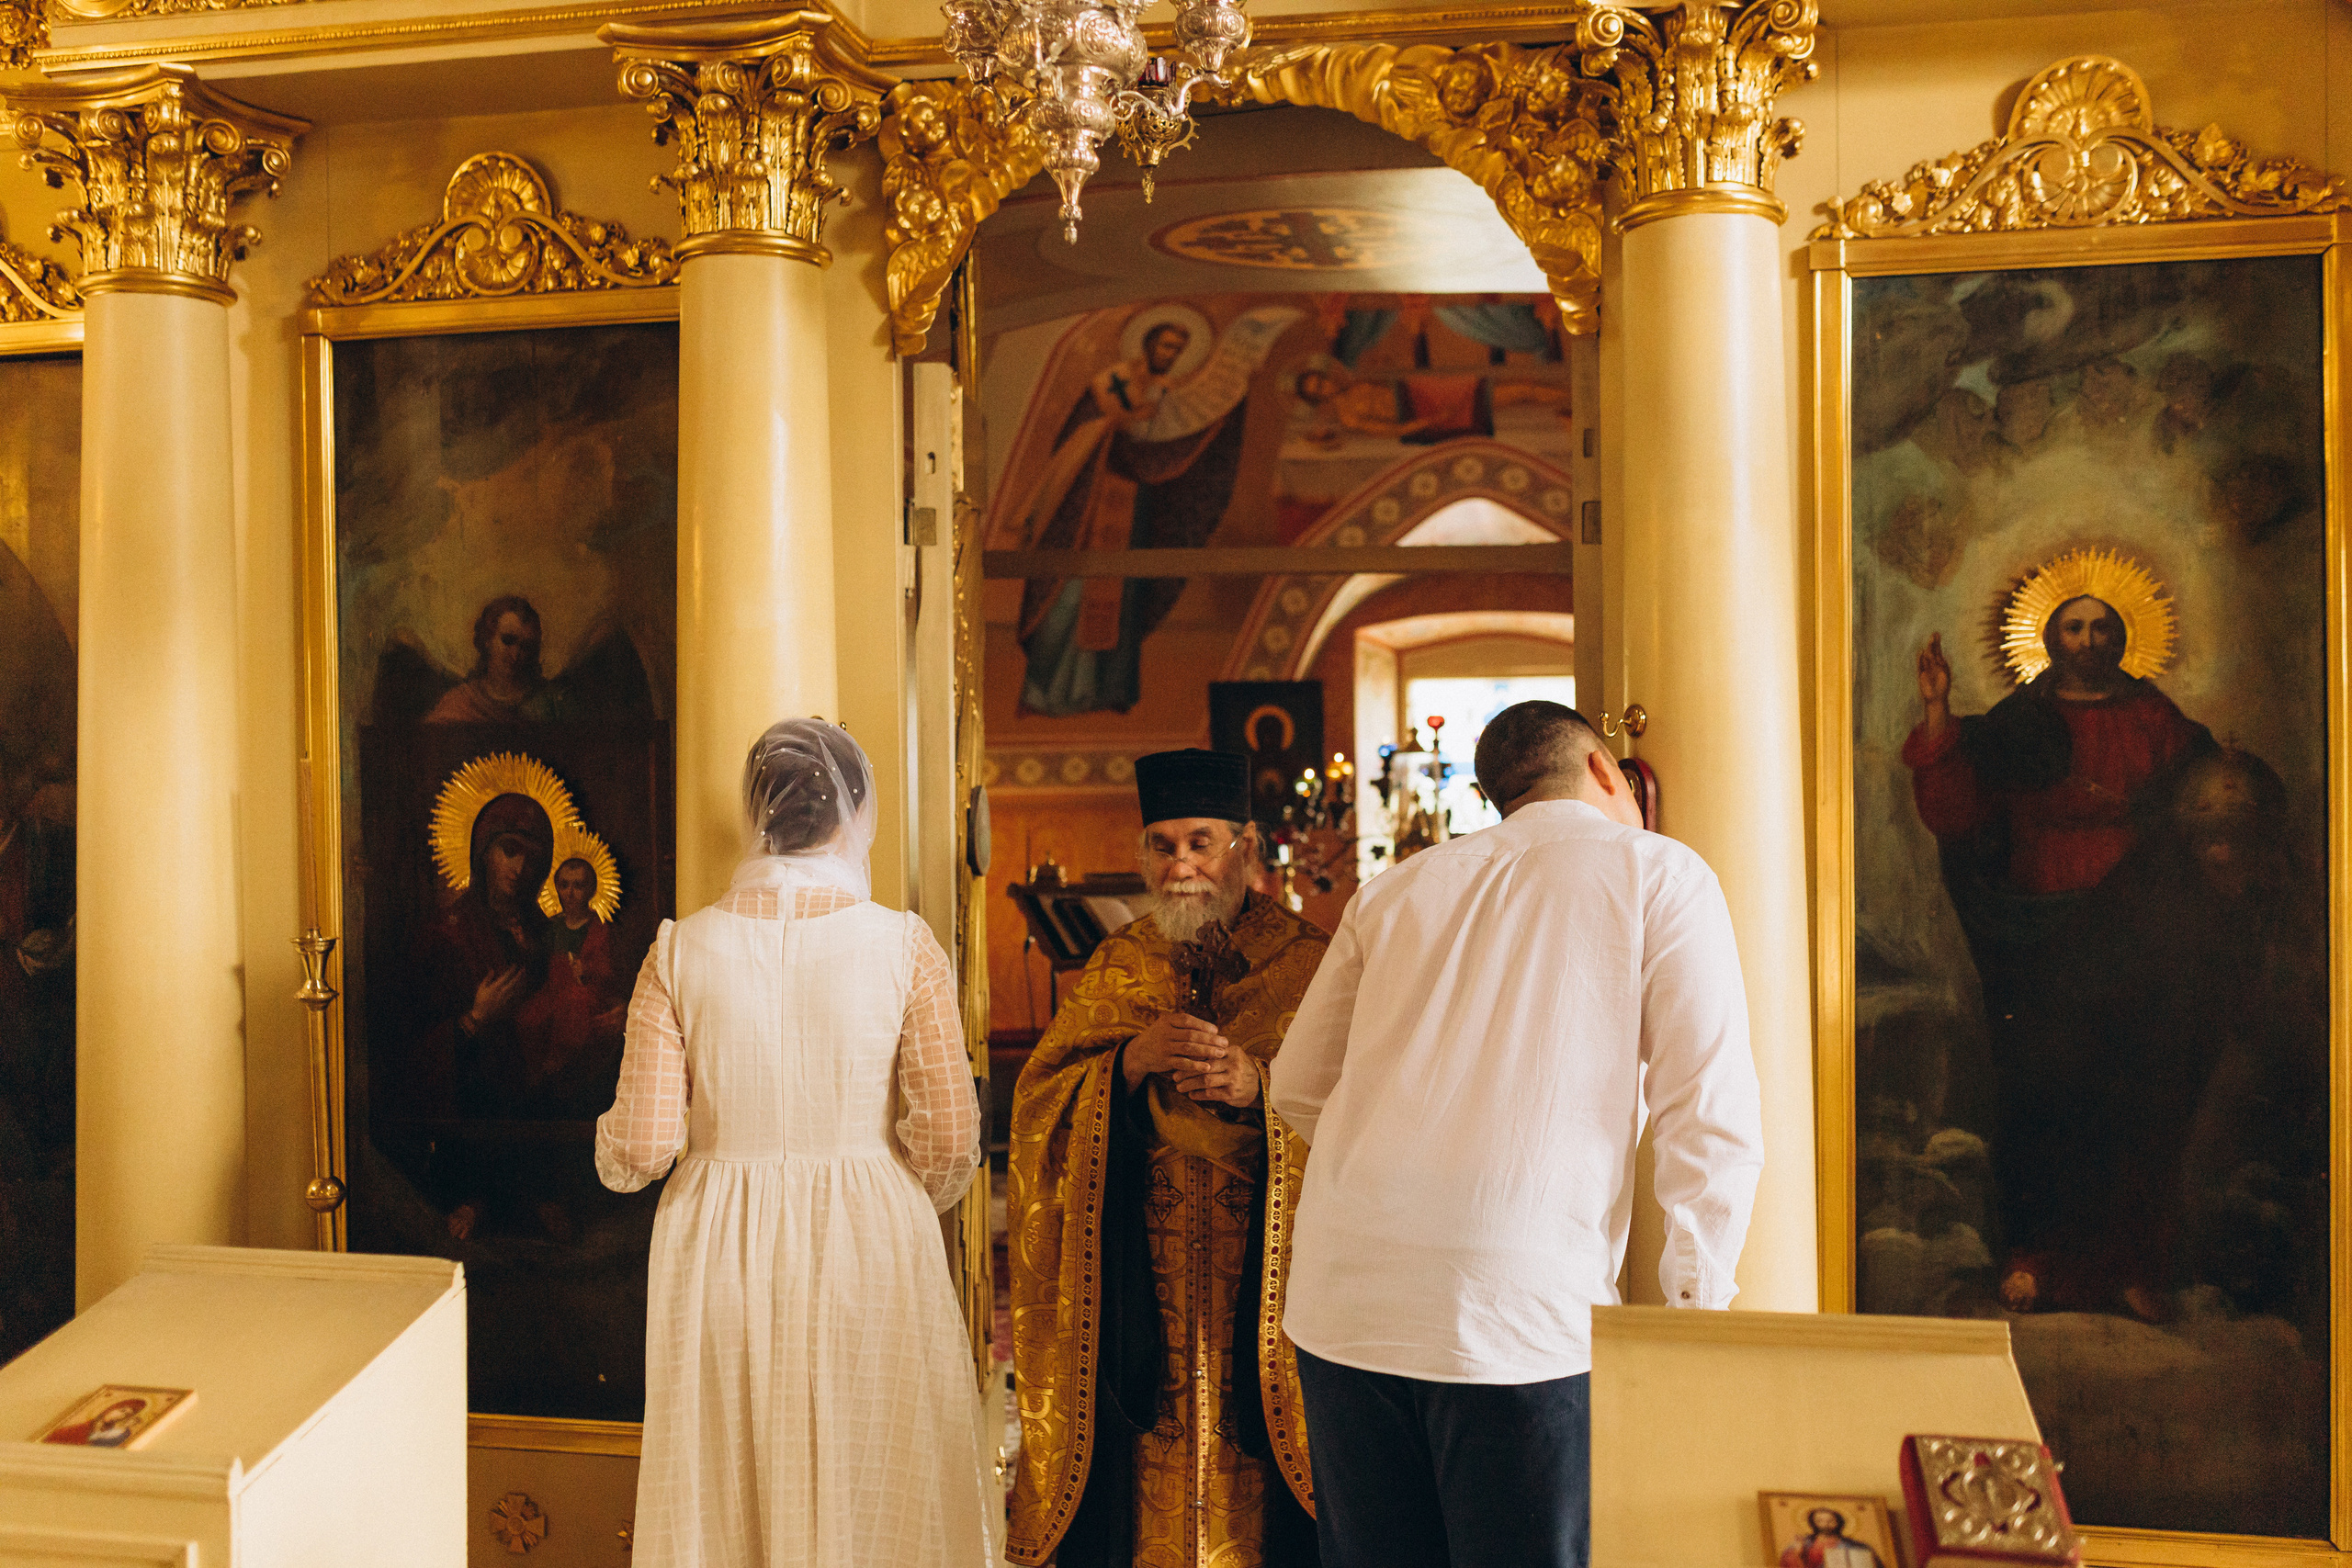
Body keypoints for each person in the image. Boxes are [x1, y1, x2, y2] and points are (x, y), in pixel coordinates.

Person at [1271, 702, 1765, 1568]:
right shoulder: (1658, 871)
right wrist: (1696, 1316)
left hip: (1344, 1299)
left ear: (1495, 794)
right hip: (1514, 1309)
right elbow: (1707, 1110)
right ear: (1605, 769)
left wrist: (1395, 1156)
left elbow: (1296, 1085)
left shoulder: (1394, 890)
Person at [595, 719, 988, 1567]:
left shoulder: (677, 949)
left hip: (717, 1244)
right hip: (870, 1238)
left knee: (728, 1482)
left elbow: (642, 1145)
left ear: (758, 812)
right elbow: (951, 1136)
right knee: (874, 1478)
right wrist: (887, 1182)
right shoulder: (904, 945)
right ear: (854, 813)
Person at [1009, 749, 1329, 1568]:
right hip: (1140, 1275)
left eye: (1200, 842)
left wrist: (1259, 1087)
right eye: (1163, 845)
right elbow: (1042, 1100)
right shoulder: (1120, 961)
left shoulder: (1308, 962)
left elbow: (1357, 1103)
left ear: (1244, 846)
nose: (1181, 865)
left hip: (1265, 1279)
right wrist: (1129, 1061)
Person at [1905, 590, 2214, 1313]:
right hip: (2038, 940)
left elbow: (2202, 800)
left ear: (2122, 636)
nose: (2089, 639)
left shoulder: (2154, 719)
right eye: (2074, 627)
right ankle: (2036, 1257)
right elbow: (1953, 810)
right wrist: (1938, 710)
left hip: (2135, 937)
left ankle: (2133, 1265)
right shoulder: (2020, 723)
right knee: (2043, 1098)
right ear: (2050, 638)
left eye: (2102, 627)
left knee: (2134, 1097)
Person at [426, 595, 560, 724]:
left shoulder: (549, 702)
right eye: (508, 640)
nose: (515, 655)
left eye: (526, 646)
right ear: (487, 639)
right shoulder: (460, 703)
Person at [1780, 1508, 1885, 1568]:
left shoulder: (1854, 1545)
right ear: (1813, 1523)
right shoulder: (1804, 1543)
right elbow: (1786, 1562)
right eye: (1820, 1521)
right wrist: (1797, 1553)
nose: (1825, 1525)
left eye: (1830, 1521)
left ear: (1838, 1523)